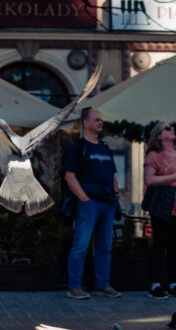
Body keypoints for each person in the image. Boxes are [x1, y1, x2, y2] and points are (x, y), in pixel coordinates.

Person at [63, 107, 121, 300]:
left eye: (101, 120)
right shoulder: (79, 147)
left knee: (105, 247)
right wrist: (85, 199)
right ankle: (75, 286)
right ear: (85, 123)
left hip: (107, 203)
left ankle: (103, 284)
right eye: (96, 120)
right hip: (90, 203)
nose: (100, 122)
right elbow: (69, 176)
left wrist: (115, 194)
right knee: (81, 246)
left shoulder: (104, 147)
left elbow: (112, 174)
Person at [143, 122, 176, 299]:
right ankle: (155, 284)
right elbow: (149, 180)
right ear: (158, 135)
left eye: (172, 128)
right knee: (160, 244)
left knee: (175, 246)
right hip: (162, 204)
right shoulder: (154, 155)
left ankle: (173, 283)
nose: (172, 129)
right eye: (167, 128)